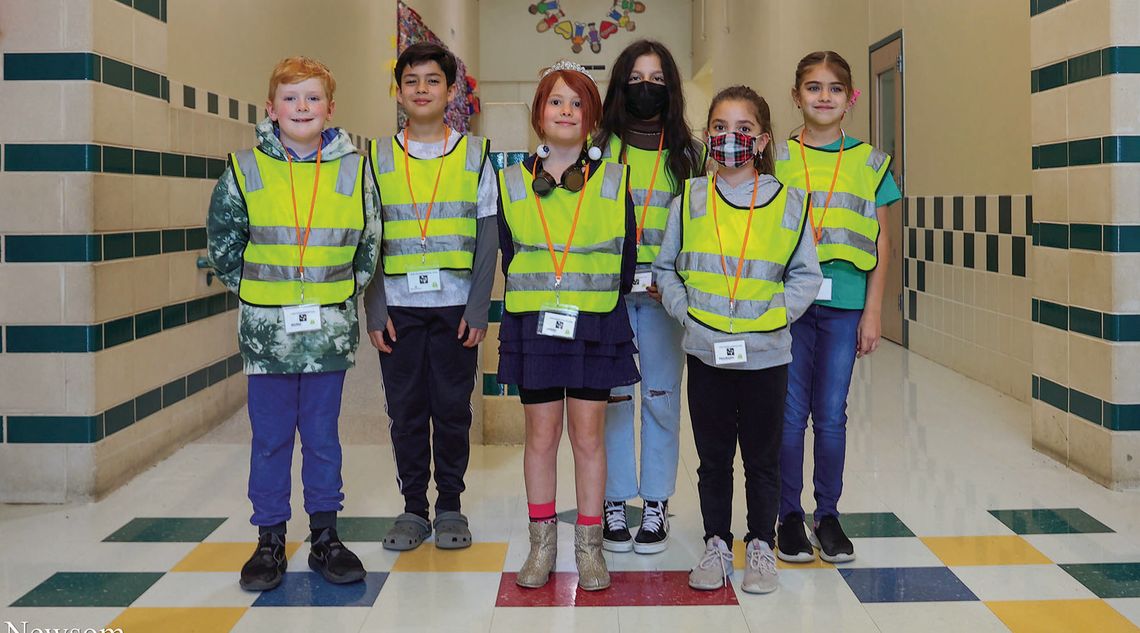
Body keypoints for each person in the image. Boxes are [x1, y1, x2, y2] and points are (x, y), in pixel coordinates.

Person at [206, 56, 379, 591]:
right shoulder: (244, 168)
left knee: (323, 437)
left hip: (327, 332)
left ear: (331, 108)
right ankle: (270, 539)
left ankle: (325, 535)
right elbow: (224, 245)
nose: (301, 107)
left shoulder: (355, 168)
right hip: (267, 336)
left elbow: (369, 244)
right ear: (270, 107)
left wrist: (338, 296)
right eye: (290, 97)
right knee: (271, 439)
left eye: (312, 98)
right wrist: (262, 298)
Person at [654, 85, 821, 594]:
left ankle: (762, 547)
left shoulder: (790, 204)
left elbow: (805, 276)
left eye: (744, 129)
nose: (731, 138)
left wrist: (775, 317)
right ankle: (717, 544)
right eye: (721, 129)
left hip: (767, 354)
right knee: (713, 458)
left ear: (764, 139)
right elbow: (666, 270)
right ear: (707, 135)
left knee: (763, 458)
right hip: (707, 352)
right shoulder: (690, 199)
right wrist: (690, 318)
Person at [498, 60, 639, 591]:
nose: (566, 111)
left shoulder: (614, 178)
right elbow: (513, 253)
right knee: (540, 436)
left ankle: (589, 547)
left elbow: (624, 258)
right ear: (538, 112)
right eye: (556, 101)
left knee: (588, 437)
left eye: (578, 103)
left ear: (592, 118)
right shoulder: (511, 181)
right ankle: (541, 545)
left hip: (595, 323)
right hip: (534, 323)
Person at [364, 42, 497, 552]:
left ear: (451, 90)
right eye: (412, 80)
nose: (422, 89)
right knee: (406, 411)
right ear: (398, 91)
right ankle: (413, 508)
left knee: (452, 409)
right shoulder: (375, 157)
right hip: (398, 309)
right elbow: (369, 238)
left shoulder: (474, 154)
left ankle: (450, 508)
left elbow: (487, 238)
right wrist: (375, 307)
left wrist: (479, 306)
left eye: (432, 80)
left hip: (456, 308)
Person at [775, 51, 900, 565]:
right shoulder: (775, 158)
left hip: (846, 305)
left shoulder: (871, 162)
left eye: (833, 88)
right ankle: (787, 516)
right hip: (787, 307)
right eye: (812, 87)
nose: (822, 97)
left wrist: (874, 311)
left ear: (852, 98)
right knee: (787, 415)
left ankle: (827, 515)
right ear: (796, 95)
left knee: (830, 414)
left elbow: (884, 242)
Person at [594, 39, 705, 555]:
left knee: (660, 399)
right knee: (615, 401)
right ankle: (615, 502)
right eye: (637, 77)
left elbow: (704, 230)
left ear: (671, 88)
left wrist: (677, 275)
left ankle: (656, 504)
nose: (646, 87)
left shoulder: (689, 153)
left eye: (657, 79)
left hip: (665, 297)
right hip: (611, 298)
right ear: (621, 83)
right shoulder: (599, 150)